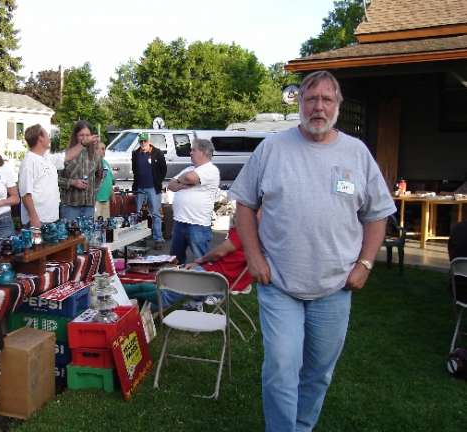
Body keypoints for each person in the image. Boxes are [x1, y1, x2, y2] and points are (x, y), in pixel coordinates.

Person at [229, 70, 395, 432]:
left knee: (319, 372)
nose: (318, 107)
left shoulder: (357, 153)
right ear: (300, 103)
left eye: (326, 99)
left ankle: (301, 426)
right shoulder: (272, 148)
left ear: (338, 105)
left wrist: (366, 264)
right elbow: (244, 204)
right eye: (311, 99)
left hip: (335, 286)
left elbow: (377, 215)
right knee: (280, 367)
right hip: (279, 282)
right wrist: (254, 257)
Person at [167, 138, 220, 264]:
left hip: (198, 224)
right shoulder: (189, 168)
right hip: (180, 222)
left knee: (202, 260)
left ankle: (204, 277)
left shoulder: (210, 169)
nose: (190, 153)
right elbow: (171, 186)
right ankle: (176, 277)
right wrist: (184, 181)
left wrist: (181, 181)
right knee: (175, 260)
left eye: (193, 150)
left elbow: (191, 178)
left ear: (203, 152)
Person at [18, 124, 83, 227]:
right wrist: (34, 218)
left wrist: (83, 143)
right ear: (40, 138)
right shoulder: (29, 162)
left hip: (51, 218)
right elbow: (26, 194)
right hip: (38, 220)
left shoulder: (47, 158)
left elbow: (67, 156)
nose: (50, 138)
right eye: (47, 135)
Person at [58, 120, 103, 220]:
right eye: (81, 135)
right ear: (75, 136)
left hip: (89, 206)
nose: (85, 138)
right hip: (70, 206)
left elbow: (100, 175)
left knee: (88, 231)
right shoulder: (65, 155)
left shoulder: (96, 156)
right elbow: (55, 179)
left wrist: (94, 191)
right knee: (71, 231)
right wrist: (73, 182)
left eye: (87, 135)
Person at [132, 132, 167, 249]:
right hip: (140, 188)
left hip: (153, 187)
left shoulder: (157, 153)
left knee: (156, 213)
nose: (143, 143)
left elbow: (163, 169)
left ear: (149, 141)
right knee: (138, 214)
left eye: (145, 141)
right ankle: (140, 238)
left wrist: (158, 181)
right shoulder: (135, 153)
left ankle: (158, 238)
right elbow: (135, 170)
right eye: (141, 141)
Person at [95, 141, 115, 219]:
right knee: (96, 222)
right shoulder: (92, 163)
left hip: (106, 199)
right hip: (96, 200)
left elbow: (110, 180)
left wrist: (112, 194)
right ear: (96, 150)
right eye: (102, 149)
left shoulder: (106, 163)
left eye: (104, 149)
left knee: (106, 222)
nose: (104, 151)